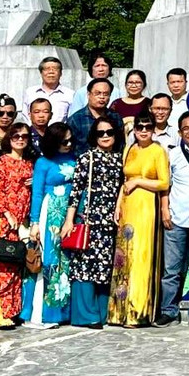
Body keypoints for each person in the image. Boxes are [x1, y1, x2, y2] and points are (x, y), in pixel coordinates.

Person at [60, 116, 122, 329]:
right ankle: (85, 315)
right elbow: (75, 191)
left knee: (104, 267)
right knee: (86, 266)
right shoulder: (87, 158)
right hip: (89, 219)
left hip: (109, 222)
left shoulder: (119, 158)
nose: (105, 136)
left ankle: (102, 312)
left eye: (109, 132)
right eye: (100, 133)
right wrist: (69, 220)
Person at [107, 112, 169, 326]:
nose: (143, 130)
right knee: (124, 257)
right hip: (128, 206)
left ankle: (138, 310)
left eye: (148, 127)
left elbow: (164, 183)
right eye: (140, 127)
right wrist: (118, 205)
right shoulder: (129, 149)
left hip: (145, 207)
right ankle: (119, 311)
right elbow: (124, 180)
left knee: (141, 257)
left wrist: (140, 181)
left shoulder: (158, 151)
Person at [0, 122, 35, 330]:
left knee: (16, 266)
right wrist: (7, 214)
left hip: (23, 220)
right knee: (0, 263)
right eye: (15, 136)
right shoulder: (1, 162)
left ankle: (13, 311)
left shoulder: (30, 163)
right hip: (5, 219)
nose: (20, 139)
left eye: (24, 136)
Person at [23, 122, 76, 328]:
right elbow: (36, 193)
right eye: (64, 141)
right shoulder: (43, 162)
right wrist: (34, 222)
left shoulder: (74, 158)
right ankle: (40, 313)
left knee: (66, 261)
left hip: (69, 213)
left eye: (71, 140)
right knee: (49, 259)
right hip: (50, 212)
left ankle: (62, 311)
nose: (69, 144)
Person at [158, 112, 189, 326]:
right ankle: (169, 310)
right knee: (172, 269)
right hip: (176, 218)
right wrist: (164, 209)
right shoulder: (173, 155)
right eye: (186, 128)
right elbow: (165, 186)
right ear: (179, 132)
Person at [66, 78, 123, 151]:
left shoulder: (115, 117)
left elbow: (120, 144)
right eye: (97, 93)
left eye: (106, 94)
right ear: (88, 94)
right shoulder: (76, 119)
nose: (102, 97)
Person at [25, 55, 73, 123]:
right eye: (47, 69)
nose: (51, 72)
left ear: (61, 73)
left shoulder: (70, 94)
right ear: (41, 73)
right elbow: (26, 116)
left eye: (55, 69)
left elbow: (71, 119)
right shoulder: (30, 92)